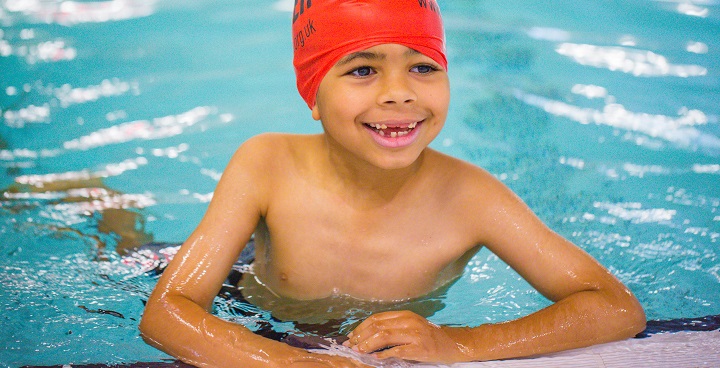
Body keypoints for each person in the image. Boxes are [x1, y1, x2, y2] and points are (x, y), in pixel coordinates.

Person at [139, 1, 646, 366]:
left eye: (423, 67)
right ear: (312, 95)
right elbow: (166, 315)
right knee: (128, 253)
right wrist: (287, 364)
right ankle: (106, 209)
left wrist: (461, 344)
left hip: (382, 340)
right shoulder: (266, 163)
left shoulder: (472, 197)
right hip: (247, 307)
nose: (399, 94)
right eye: (363, 70)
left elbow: (616, 307)